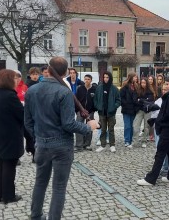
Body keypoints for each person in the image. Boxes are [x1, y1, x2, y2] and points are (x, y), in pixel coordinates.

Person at [25, 57, 99, 220]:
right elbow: (68, 124)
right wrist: (89, 127)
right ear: (65, 72)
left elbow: (28, 122)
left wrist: (39, 137)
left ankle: (35, 215)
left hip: (42, 145)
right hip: (61, 146)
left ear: (48, 70)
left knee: (40, 182)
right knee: (58, 187)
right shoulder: (64, 92)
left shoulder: (32, 91)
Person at [137, 76, 169, 186]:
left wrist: (158, 121)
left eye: (167, 84)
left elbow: (168, 114)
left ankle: (151, 178)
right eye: (165, 84)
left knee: (160, 153)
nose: (165, 86)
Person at [0, 69, 24, 204]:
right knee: (9, 165)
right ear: (9, 80)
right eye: (14, 78)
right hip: (9, 135)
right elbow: (21, 115)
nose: (17, 81)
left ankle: (0, 193)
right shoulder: (10, 95)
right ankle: (9, 195)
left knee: (1, 164)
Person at [94, 71, 121, 153]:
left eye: (107, 77)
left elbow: (118, 100)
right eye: (104, 77)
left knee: (111, 130)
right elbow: (95, 99)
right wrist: (98, 106)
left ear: (110, 78)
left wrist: (114, 107)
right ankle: (102, 145)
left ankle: (112, 145)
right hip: (102, 112)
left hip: (111, 113)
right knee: (102, 129)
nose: (105, 79)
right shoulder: (99, 88)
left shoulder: (114, 89)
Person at [75, 74, 97, 151]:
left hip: (90, 112)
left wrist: (93, 109)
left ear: (91, 80)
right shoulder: (80, 88)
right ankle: (79, 145)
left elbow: (96, 100)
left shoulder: (94, 89)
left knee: (90, 128)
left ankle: (87, 144)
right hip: (80, 111)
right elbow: (76, 100)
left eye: (88, 79)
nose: (86, 80)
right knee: (78, 127)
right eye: (85, 79)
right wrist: (77, 110)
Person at [132, 78, 154, 148]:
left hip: (147, 110)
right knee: (135, 125)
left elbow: (150, 101)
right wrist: (144, 100)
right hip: (140, 110)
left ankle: (144, 141)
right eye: (142, 83)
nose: (143, 84)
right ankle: (135, 141)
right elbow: (135, 100)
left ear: (146, 83)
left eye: (144, 83)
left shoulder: (150, 91)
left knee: (146, 126)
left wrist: (141, 100)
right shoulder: (138, 90)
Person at [120, 72, 139, 148]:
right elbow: (121, 97)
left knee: (132, 126)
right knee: (127, 126)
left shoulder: (136, 86)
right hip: (126, 109)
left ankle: (131, 139)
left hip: (134, 109)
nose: (136, 78)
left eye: (136, 77)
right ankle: (127, 140)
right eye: (135, 77)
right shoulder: (125, 86)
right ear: (131, 77)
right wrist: (126, 103)